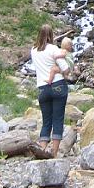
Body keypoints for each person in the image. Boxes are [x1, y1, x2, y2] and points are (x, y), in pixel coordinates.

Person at [30, 24, 69, 157]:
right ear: (51, 35)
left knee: (46, 120)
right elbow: (65, 69)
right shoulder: (53, 48)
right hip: (58, 85)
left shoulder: (33, 50)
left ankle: (42, 149)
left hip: (42, 88)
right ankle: (54, 152)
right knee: (58, 119)